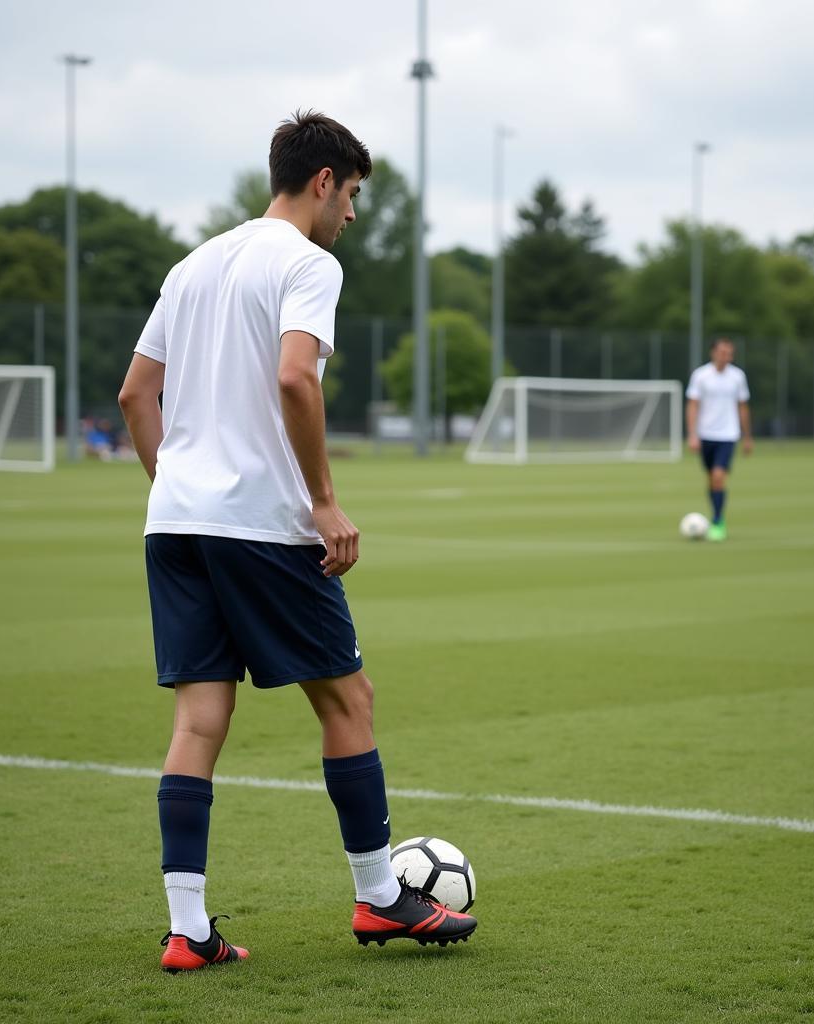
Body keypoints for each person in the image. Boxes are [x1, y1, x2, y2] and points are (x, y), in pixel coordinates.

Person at [118, 110, 476, 973]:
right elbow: (293, 375)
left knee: (200, 718)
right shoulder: (310, 264)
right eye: (351, 195)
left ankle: (186, 931)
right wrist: (322, 501)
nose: (351, 214)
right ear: (323, 181)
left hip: (175, 523)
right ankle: (382, 898)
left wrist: (180, 490)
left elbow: (135, 397)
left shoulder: (195, 262)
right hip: (261, 526)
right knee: (347, 701)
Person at [685, 338, 753, 541]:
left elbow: (742, 407)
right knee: (711, 479)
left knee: (718, 476)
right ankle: (716, 513)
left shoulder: (737, 376)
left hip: (728, 435)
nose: (727, 357)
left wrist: (747, 436)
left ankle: (717, 520)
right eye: (723, 352)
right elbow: (693, 405)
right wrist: (692, 434)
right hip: (706, 435)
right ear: (713, 353)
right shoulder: (701, 375)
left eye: (730, 353)